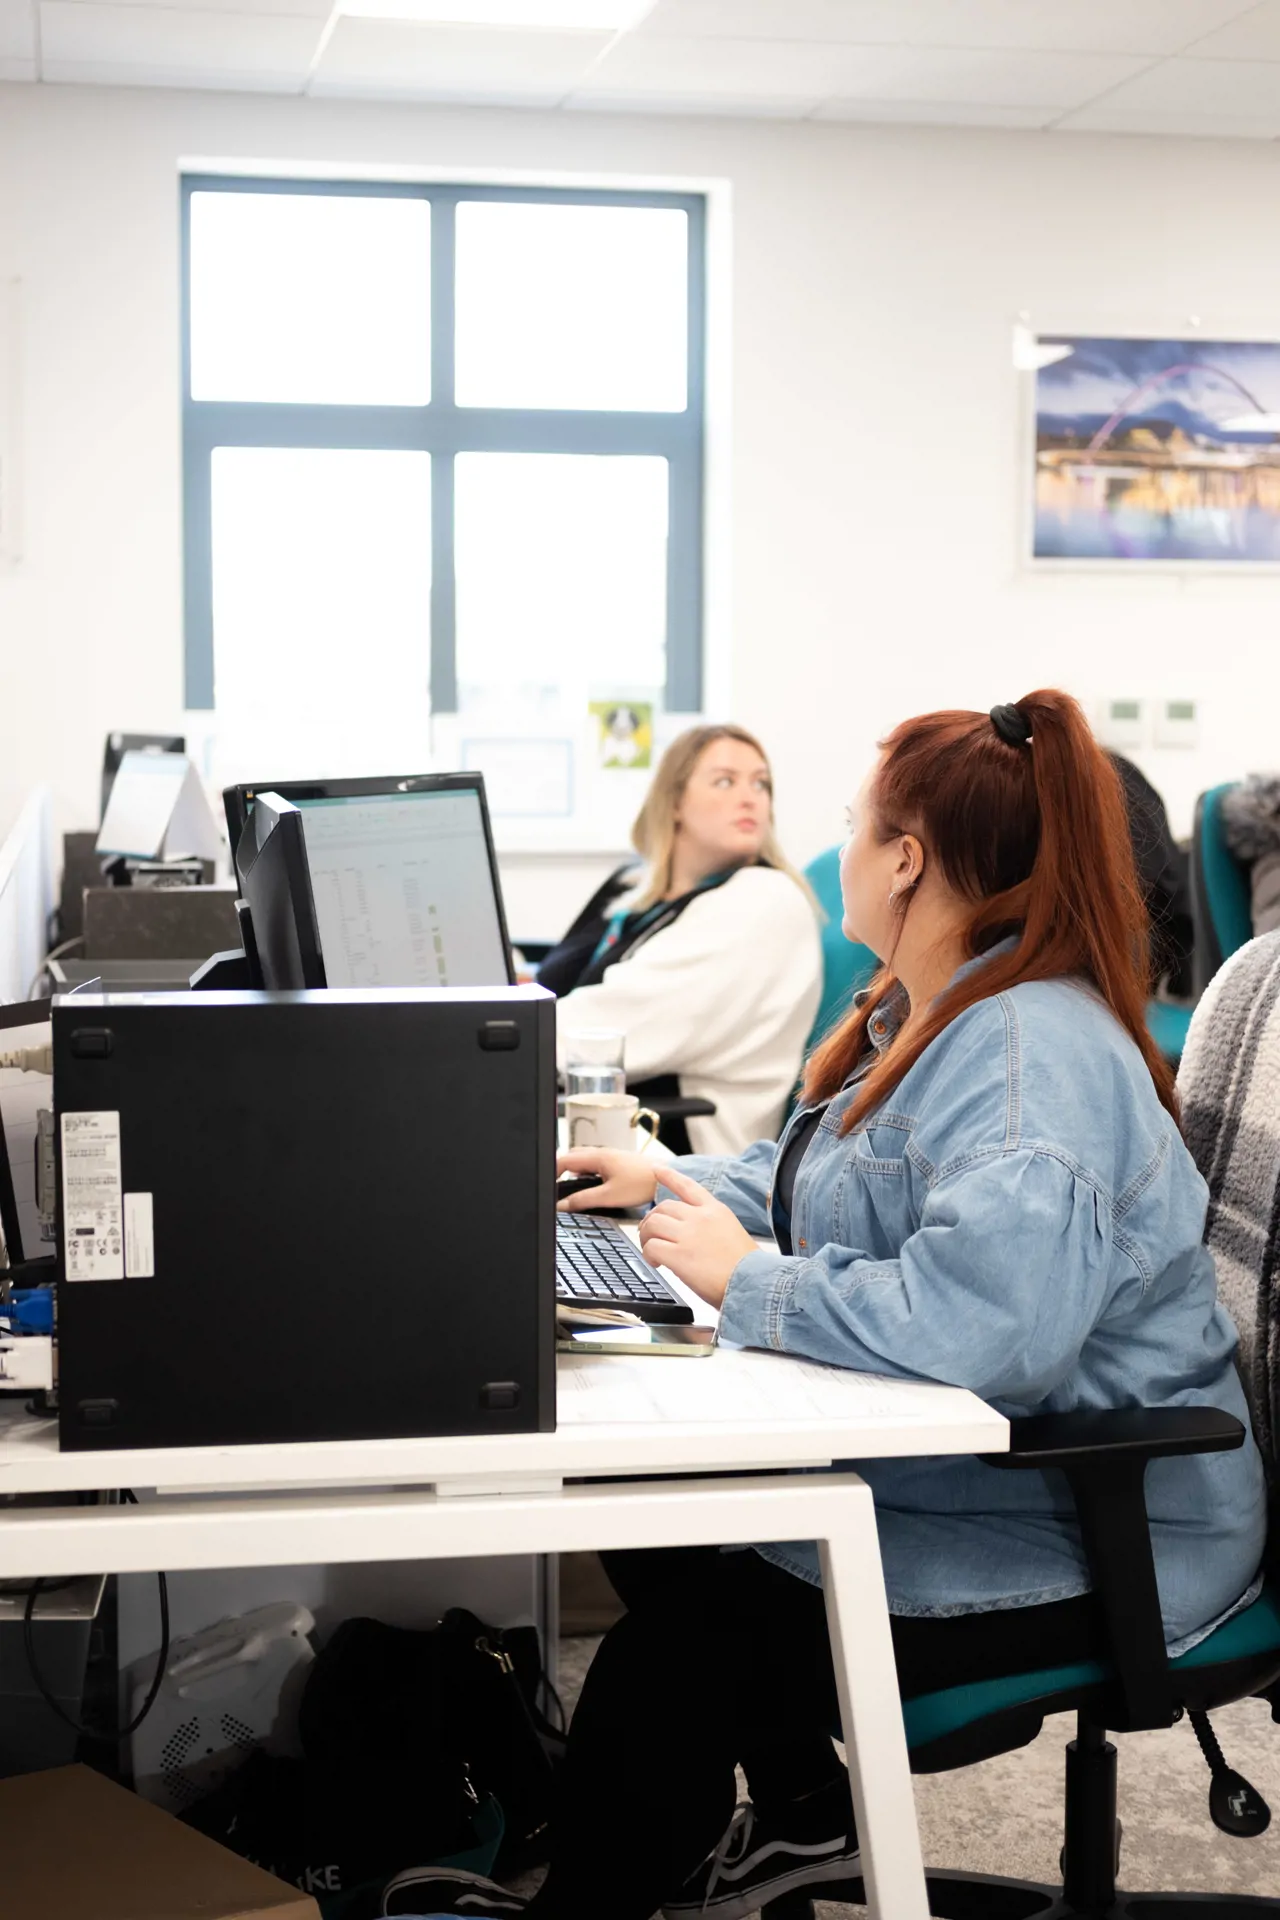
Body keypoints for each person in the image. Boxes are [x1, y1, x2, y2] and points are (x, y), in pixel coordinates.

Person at [413, 690, 1268, 1920]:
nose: (836, 852)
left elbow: (990, 1335)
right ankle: (805, 1825)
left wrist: (748, 1282)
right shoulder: (945, 1006)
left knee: (671, 1658)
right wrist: (667, 1182)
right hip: (1012, 1475)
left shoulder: (1031, 1057)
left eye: (854, 827)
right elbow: (830, 1180)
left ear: (906, 861)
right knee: (655, 1511)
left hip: (1110, 1522)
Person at [538, 724, 823, 1155]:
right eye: (725, 781)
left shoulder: (764, 900)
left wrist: (498, 1032)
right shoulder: (634, 888)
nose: (750, 797)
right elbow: (564, 976)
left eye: (761, 783)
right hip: (594, 1121)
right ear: (673, 801)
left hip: (675, 1153)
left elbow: (616, 1032)